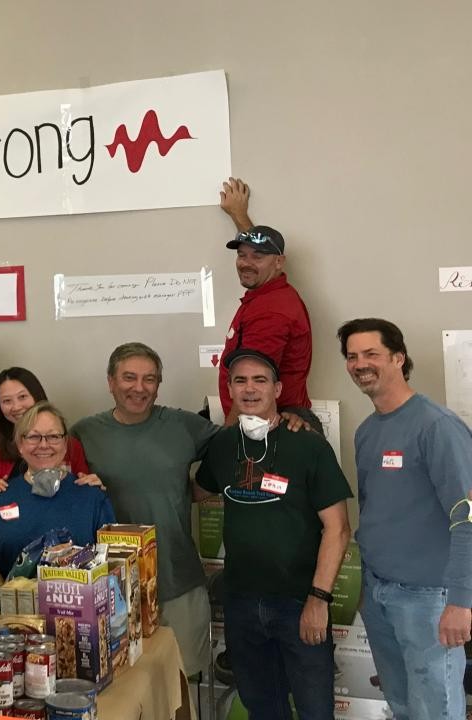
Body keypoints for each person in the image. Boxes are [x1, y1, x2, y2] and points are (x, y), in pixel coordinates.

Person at [194, 348, 352, 720]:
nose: (250, 389)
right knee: (262, 708)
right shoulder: (222, 445)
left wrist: (319, 600)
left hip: (300, 603)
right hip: (242, 603)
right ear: (230, 388)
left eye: (260, 380)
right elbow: (196, 491)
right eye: (240, 380)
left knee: (315, 710)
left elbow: (339, 528)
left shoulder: (308, 445)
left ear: (278, 388)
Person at [339, 318, 472, 719]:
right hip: (379, 596)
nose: (360, 363)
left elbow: (467, 520)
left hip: (429, 602)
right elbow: (376, 512)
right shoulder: (366, 432)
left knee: (435, 712)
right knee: (400, 706)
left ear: (398, 358)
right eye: (352, 356)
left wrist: (461, 602)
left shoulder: (437, 427)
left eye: (371, 354)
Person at [70, 342, 217, 677]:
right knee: (124, 686)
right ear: (110, 382)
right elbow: (45, 465)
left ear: (159, 384)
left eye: (149, 379)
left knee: (182, 684)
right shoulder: (84, 433)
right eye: (129, 378)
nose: (139, 388)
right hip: (110, 589)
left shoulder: (183, 425)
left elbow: (235, 449)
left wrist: (199, 489)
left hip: (177, 581)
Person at [218, 178, 316, 430]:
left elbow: (252, 386)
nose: (246, 262)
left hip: (270, 424)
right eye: (241, 254)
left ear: (279, 262)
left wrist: (227, 439)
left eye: (257, 256)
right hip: (263, 420)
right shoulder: (270, 293)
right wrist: (239, 216)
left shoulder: (271, 311)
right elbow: (260, 250)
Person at [0, 401, 115, 578]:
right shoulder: (0, 496)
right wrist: (3, 597)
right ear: (20, 444)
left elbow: (112, 564)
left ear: (65, 443)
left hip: (78, 603)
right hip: (14, 603)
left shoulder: (92, 497)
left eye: (53, 436)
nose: (44, 445)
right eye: (34, 437)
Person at [0, 367, 90, 517]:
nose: (16, 407)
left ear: (37, 396)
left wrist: (91, 485)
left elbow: (84, 491)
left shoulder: (68, 444)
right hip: (14, 530)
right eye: (7, 401)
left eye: (22, 397)